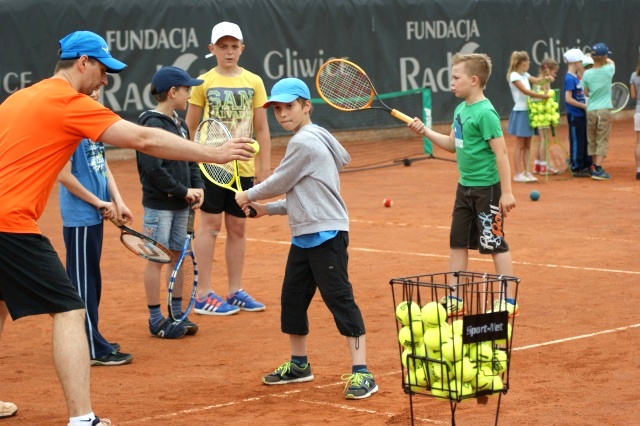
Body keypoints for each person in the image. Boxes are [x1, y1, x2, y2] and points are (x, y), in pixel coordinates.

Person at [0, 30, 254, 426]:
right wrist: (214, 153)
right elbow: (142, 139)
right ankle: (82, 419)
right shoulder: (67, 102)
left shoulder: (20, 98)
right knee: (69, 311)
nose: (105, 79)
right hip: (9, 223)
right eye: (103, 69)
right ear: (82, 63)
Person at [235, 78, 378, 400]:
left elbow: (280, 181)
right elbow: (303, 196)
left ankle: (362, 372)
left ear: (306, 106)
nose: (283, 114)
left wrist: (247, 195)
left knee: (340, 299)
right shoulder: (314, 138)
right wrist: (266, 210)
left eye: (289, 107)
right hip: (305, 235)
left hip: (326, 236)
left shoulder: (304, 143)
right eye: (278, 109)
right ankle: (300, 365)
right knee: (293, 300)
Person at [406, 53, 519, 316]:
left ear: (474, 80)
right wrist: (425, 130)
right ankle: (454, 297)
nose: (451, 83)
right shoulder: (461, 109)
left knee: (494, 242)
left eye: (456, 78)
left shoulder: (486, 113)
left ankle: (508, 299)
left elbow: (501, 154)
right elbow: (451, 146)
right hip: (464, 188)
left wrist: (507, 192)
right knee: (457, 242)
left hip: (487, 190)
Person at [185, 21, 271, 316]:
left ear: (242, 48)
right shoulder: (203, 82)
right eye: (223, 46)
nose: (229, 51)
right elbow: (190, 127)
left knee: (238, 227)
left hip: (244, 168)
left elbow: (262, 128)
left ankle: (235, 291)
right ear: (212, 50)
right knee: (209, 228)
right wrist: (192, 167)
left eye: (234, 46)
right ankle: (203, 294)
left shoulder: (254, 82)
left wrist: (264, 169)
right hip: (210, 169)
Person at [58, 87, 134, 366]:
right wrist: (97, 202)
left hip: (95, 214)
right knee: (80, 285)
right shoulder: (70, 128)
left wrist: (118, 200)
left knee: (92, 281)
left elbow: (103, 166)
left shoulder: (93, 125)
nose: (95, 94)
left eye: (98, 91)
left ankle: (93, 336)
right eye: (88, 91)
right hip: (79, 216)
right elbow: (62, 174)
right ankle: (90, 347)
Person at [137, 66, 206, 338]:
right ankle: (156, 319)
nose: (190, 94)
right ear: (173, 92)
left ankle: (176, 315)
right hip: (159, 206)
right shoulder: (150, 123)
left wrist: (197, 188)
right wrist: (182, 190)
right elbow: (153, 169)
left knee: (178, 257)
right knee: (156, 260)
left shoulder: (180, 124)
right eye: (187, 90)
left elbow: (190, 160)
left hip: (181, 203)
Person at [506, 51, 550, 183]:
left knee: (528, 144)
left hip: (529, 111)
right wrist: (542, 96)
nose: (529, 64)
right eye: (527, 63)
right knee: (520, 144)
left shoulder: (525, 74)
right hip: (520, 112)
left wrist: (547, 77)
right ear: (521, 64)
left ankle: (527, 172)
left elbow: (537, 80)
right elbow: (525, 91)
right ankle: (518, 173)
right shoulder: (514, 76)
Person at [582, 42, 615, 180]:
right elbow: (611, 61)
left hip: (590, 110)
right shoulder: (609, 70)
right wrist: (602, 57)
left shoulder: (586, 74)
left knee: (592, 139)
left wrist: (594, 57)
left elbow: (586, 93)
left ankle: (595, 167)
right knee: (602, 139)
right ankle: (599, 170)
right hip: (604, 110)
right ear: (605, 56)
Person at [563, 48, 592, 177]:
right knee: (576, 141)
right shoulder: (570, 78)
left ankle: (584, 164)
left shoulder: (577, 77)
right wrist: (583, 106)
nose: (582, 64)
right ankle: (576, 166)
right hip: (575, 115)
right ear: (575, 62)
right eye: (581, 61)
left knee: (583, 140)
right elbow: (568, 99)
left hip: (581, 114)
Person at [531, 58, 559, 175]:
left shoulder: (537, 80)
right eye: (555, 72)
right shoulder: (545, 81)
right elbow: (544, 96)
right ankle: (544, 167)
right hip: (543, 115)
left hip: (538, 116)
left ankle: (538, 165)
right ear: (550, 70)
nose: (555, 75)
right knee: (544, 140)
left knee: (540, 140)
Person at [629, 55, 640, 180]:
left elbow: (633, 96)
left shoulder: (634, 76)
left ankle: (639, 170)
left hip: (639, 112)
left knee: (639, 142)